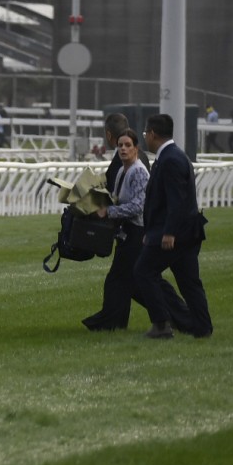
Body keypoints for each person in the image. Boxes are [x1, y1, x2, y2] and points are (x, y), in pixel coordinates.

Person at [82, 128, 193, 332]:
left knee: (121, 279)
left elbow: (138, 206)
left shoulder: (139, 171)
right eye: (120, 146)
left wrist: (109, 212)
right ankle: (177, 318)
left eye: (128, 145)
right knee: (133, 282)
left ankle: (113, 322)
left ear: (136, 149)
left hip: (139, 233)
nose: (123, 149)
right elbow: (118, 198)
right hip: (130, 234)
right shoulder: (123, 171)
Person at [134, 114, 213, 339]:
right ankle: (202, 327)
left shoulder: (169, 160)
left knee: (143, 272)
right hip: (185, 232)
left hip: (173, 234)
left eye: (145, 134)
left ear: (153, 134)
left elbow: (176, 201)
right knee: (189, 283)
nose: (146, 138)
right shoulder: (174, 156)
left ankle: (161, 324)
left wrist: (168, 232)